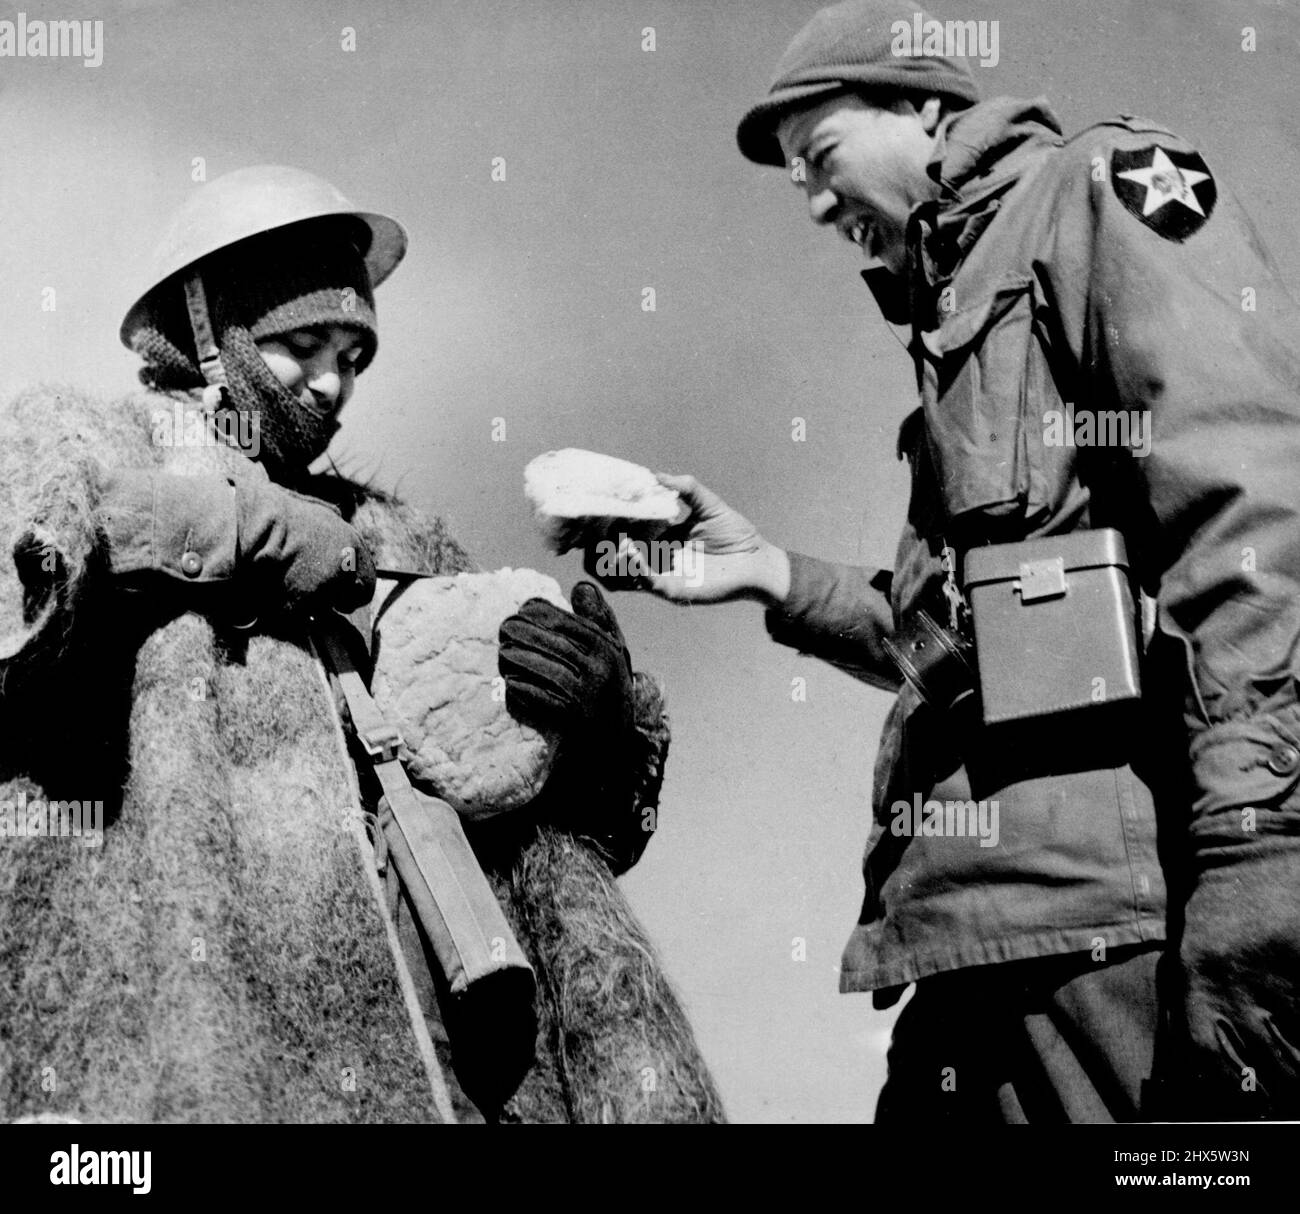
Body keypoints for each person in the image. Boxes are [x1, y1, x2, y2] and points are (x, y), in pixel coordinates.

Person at [606, 0, 1300, 1121]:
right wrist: (770, 574)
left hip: (1106, 938)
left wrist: (1260, 838)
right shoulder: (956, 310)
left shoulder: (1097, 192)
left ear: (925, 107)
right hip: (974, 937)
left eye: (820, 154)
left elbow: (1254, 513)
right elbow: (983, 642)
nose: (813, 198)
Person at [0, 165, 724, 1124]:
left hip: (432, 1073)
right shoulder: (78, 444)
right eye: (307, 344)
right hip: (168, 1040)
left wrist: (592, 734)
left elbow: (531, 832)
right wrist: (260, 532)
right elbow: (32, 583)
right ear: (213, 331)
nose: (336, 385)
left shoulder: (404, 542)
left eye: (358, 355)